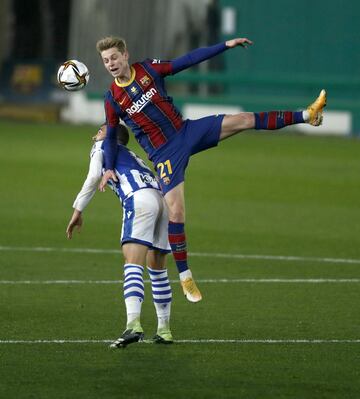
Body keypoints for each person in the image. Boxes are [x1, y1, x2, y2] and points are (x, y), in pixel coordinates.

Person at [95, 36, 327, 303]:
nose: (110, 63)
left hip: (187, 131)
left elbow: (188, 60)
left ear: (125, 55)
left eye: (114, 57)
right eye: (105, 60)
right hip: (164, 154)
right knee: (177, 211)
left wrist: (224, 46)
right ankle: (185, 277)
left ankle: (308, 115)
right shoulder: (113, 97)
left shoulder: (148, 69)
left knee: (243, 120)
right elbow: (112, 132)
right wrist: (109, 168)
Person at [66, 123, 173, 347]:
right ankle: (164, 330)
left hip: (139, 200)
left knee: (133, 262)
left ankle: (133, 325)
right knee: (158, 268)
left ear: (108, 134)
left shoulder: (102, 145)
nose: (96, 132)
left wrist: (78, 210)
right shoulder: (131, 154)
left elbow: (95, 176)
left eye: (100, 129)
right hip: (163, 202)